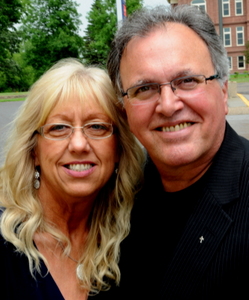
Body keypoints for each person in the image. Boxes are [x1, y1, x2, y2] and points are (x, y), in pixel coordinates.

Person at [106, 4, 249, 300]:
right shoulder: (115, 199)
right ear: (125, 110)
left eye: (187, 81)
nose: (168, 105)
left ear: (223, 92)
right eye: (144, 88)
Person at [0, 58, 145, 300]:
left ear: (119, 148)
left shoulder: (127, 237)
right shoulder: (6, 242)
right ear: (33, 150)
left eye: (97, 127)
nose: (79, 144)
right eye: (58, 128)